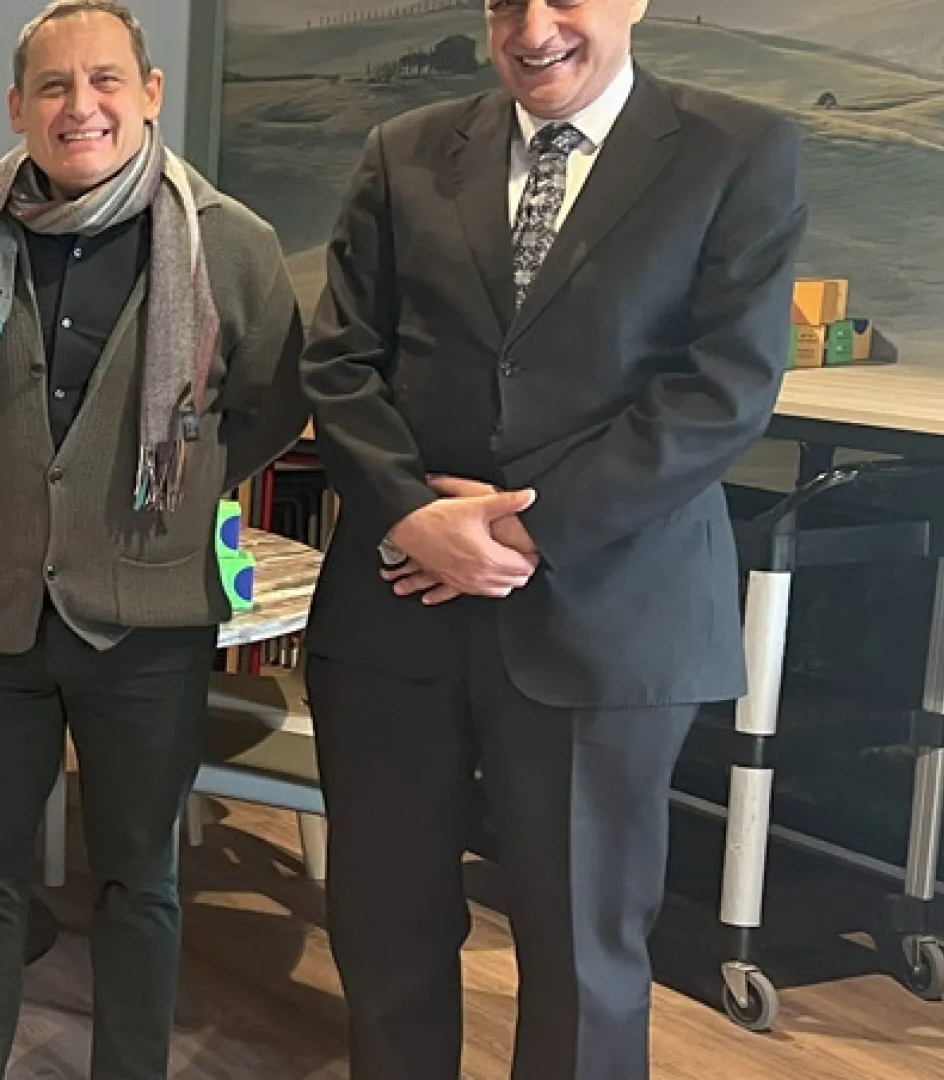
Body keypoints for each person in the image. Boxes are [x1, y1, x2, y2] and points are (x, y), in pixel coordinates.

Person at [296, 0, 806, 1074]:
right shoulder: (404, 151)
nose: (532, 30)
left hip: (607, 616)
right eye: (502, 4)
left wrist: (527, 532)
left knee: (584, 957)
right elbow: (339, 363)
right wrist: (412, 514)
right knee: (384, 930)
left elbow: (722, 390)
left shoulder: (737, 152)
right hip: (397, 609)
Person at [0, 3, 308, 1077]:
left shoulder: (232, 243)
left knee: (140, 879)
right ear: (17, 106)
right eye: (53, 85)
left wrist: (172, 490)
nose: (79, 105)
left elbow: (269, 405)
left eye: (105, 80)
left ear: (150, 93)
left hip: (150, 622)